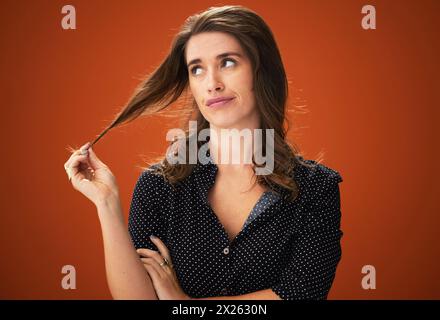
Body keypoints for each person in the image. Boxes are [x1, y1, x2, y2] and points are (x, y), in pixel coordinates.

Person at [63, 5, 344, 300]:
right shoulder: (159, 186)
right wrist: (106, 204)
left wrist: (185, 304)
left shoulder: (316, 188)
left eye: (228, 62)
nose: (212, 83)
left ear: (262, 71)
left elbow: (302, 294)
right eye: (197, 69)